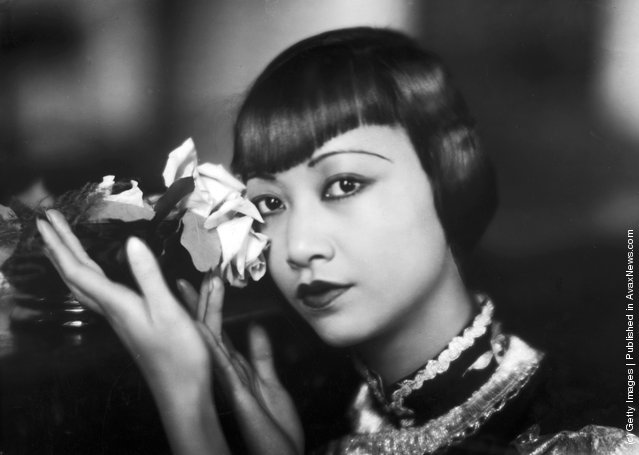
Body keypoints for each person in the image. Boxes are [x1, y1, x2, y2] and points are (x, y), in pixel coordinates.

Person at [36, 27, 631, 454]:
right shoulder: (347, 423)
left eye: (345, 184)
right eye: (270, 203)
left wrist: (186, 402)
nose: (298, 248)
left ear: (449, 177)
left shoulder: (574, 435)